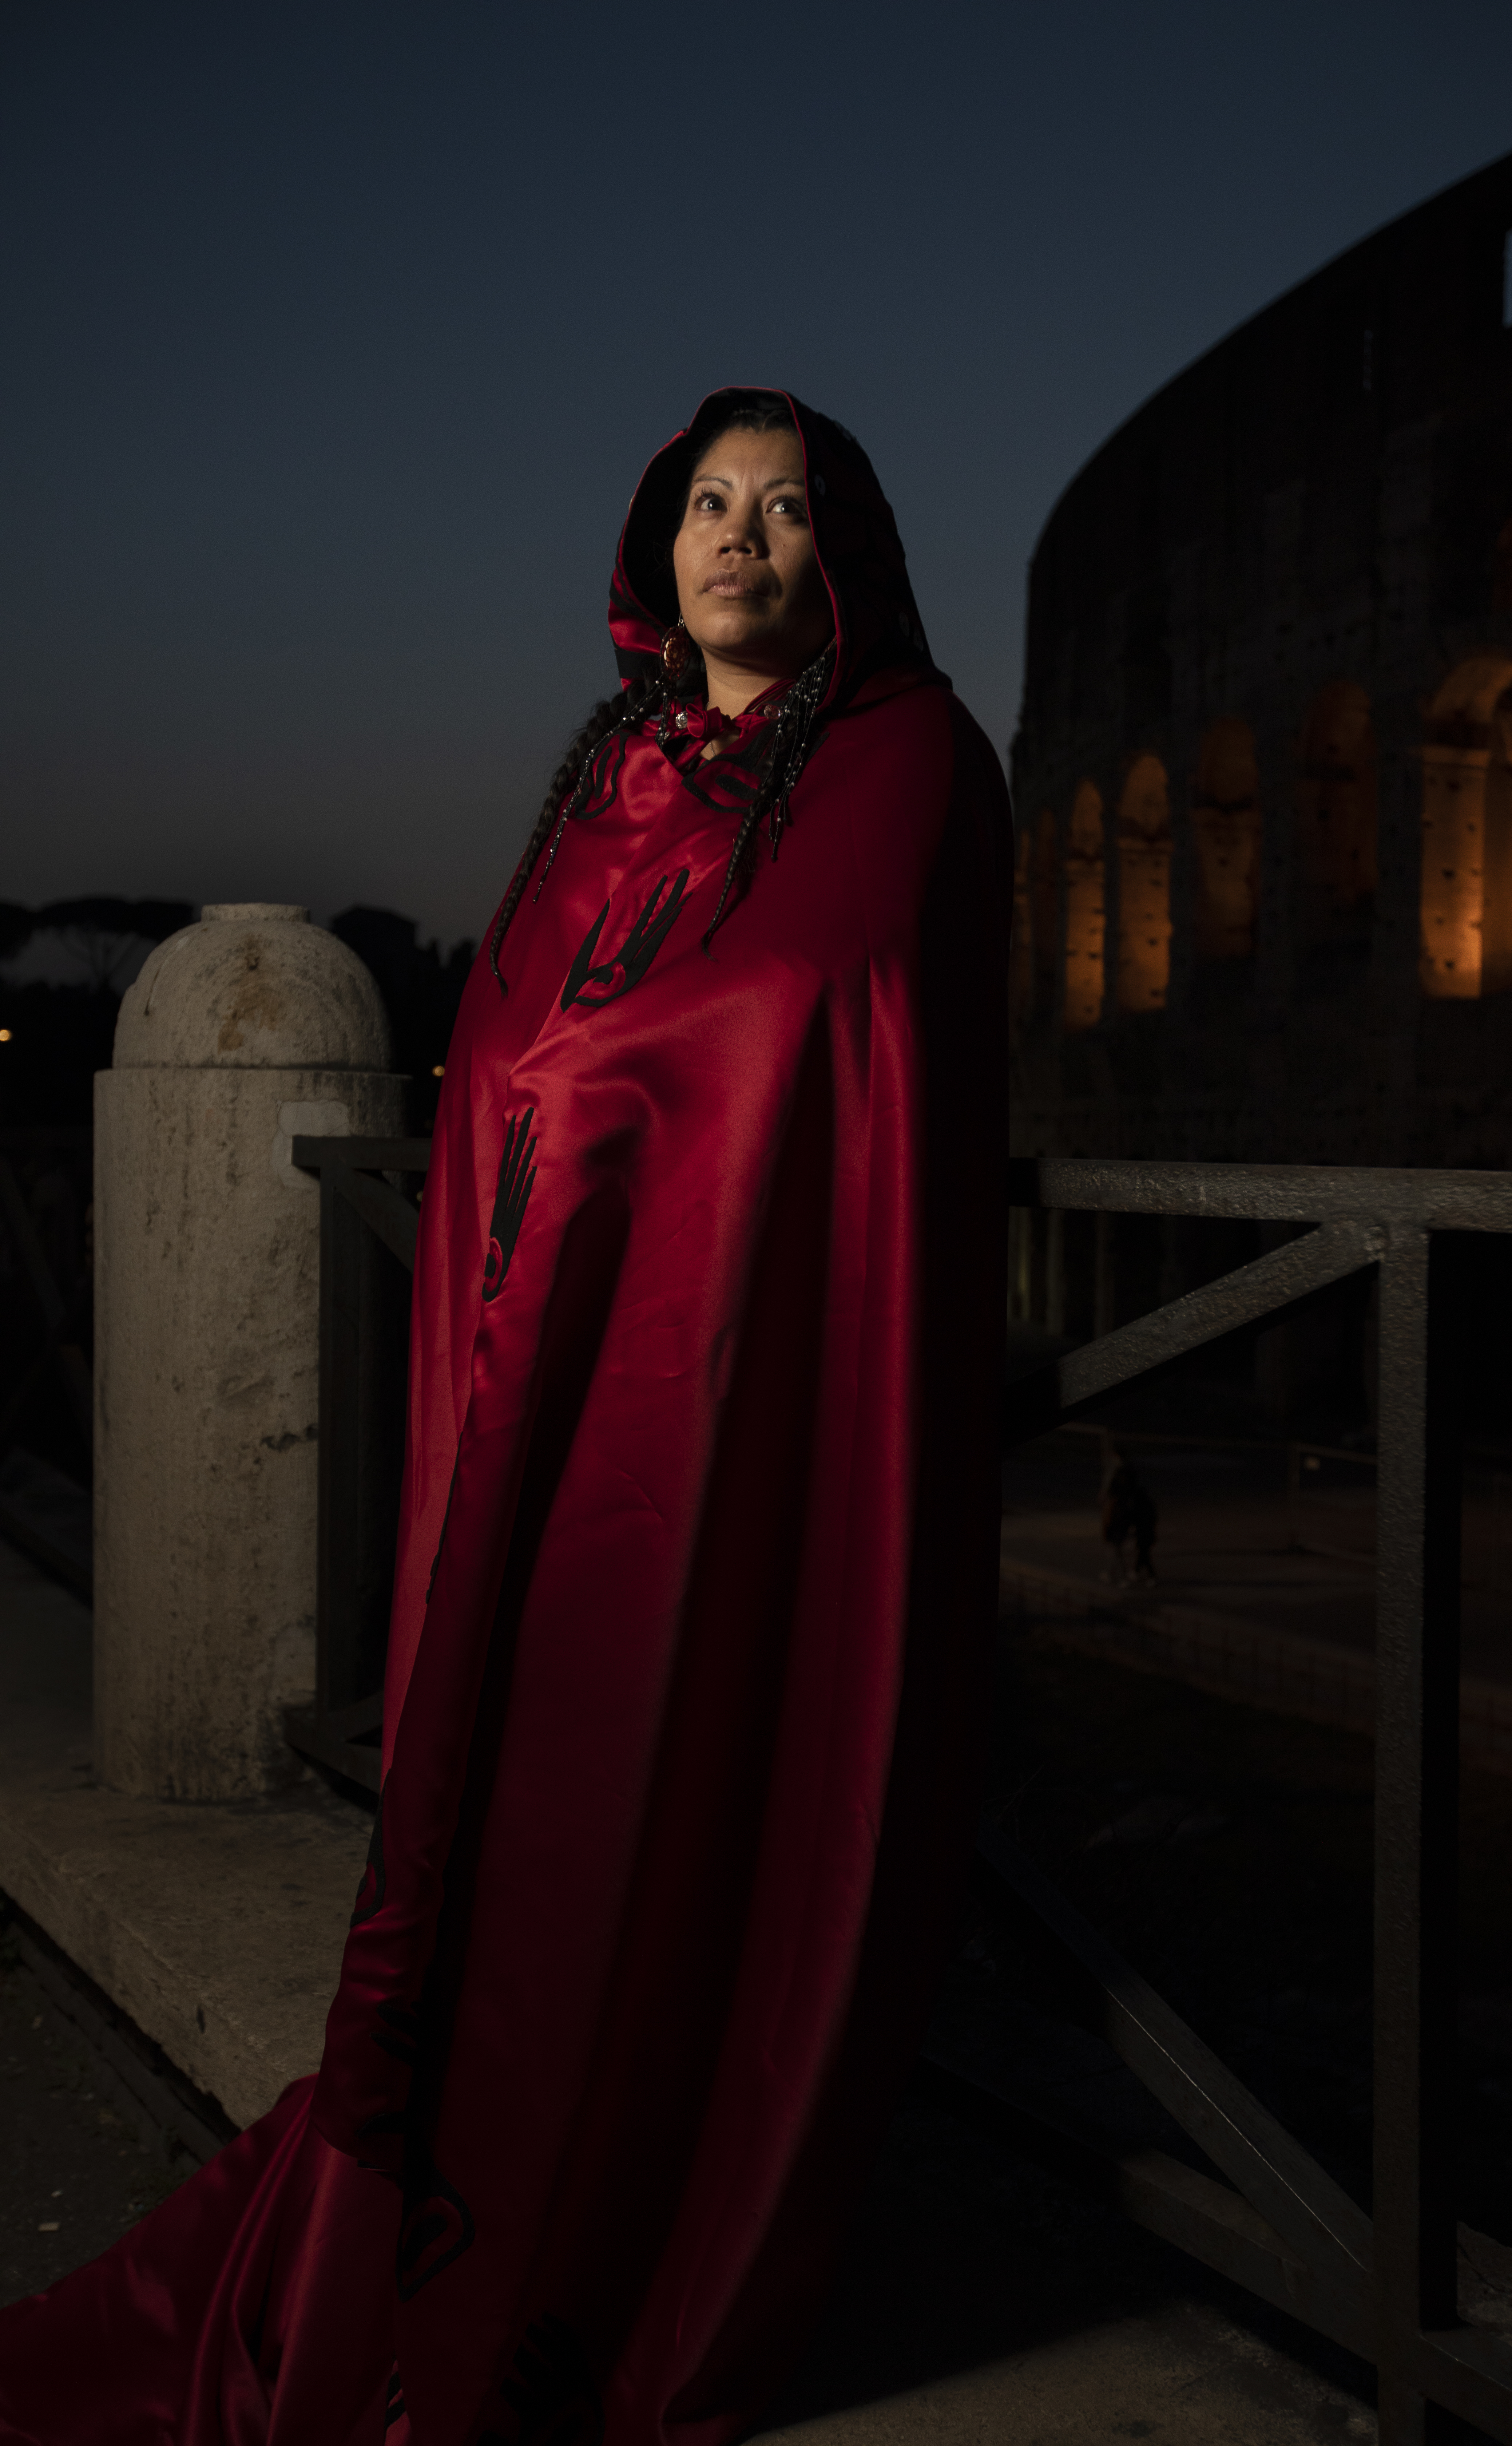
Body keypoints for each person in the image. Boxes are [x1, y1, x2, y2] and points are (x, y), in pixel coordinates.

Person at [0, 391, 1012, 2445]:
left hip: (736, 1403)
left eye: (783, 506)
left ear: (846, 552)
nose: (740, 535)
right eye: (705, 503)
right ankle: (445, 2205)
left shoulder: (907, 760)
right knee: (509, 1822)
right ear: (657, 549)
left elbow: (815, 1013)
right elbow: (517, 1038)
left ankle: (597, 2257)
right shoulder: (614, 773)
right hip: (540, 1380)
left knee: (667, 1801)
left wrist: (615, 1087)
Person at [1101, 1447, 1158, 1584]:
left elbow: (1112, 1520)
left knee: (1122, 1552)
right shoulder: (1136, 1500)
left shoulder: (1122, 1503)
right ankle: (1132, 1574)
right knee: (1134, 1553)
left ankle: (1129, 1576)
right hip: (1134, 1528)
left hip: (1126, 1528)